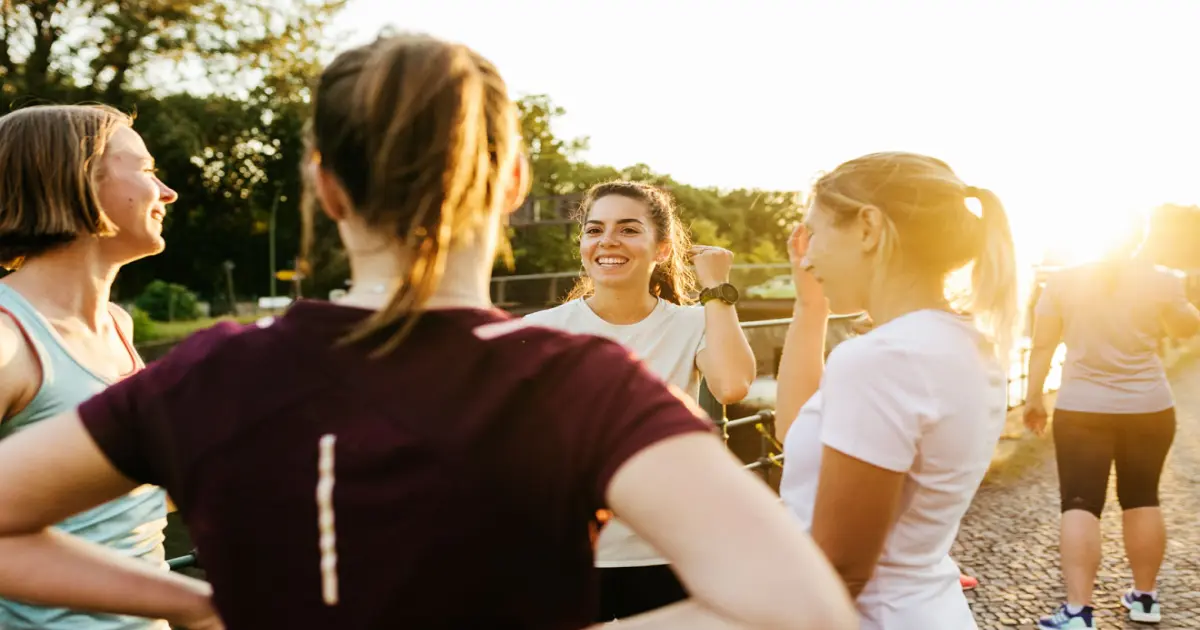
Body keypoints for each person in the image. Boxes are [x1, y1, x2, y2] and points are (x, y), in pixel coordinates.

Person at [0, 34, 857, 630]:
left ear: (327, 189)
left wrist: (191, 601)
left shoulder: (209, 374)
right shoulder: (580, 380)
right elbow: (798, 605)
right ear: (515, 179)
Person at [774, 152, 1017, 629]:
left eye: (815, 232)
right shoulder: (963, 342)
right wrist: (811, 306)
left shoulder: (882, 359)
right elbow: (797, 429)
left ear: (867, 227)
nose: (806, 255)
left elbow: (840, 570)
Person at [523, 180, 756, 621]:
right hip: (569, 552)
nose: (607, 241)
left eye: (628, 229)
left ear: (662, 249)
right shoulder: (541, 330)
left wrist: (717, 289)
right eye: (594, 230)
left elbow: (731, 386)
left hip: (668, 549)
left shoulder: (693, 322)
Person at [0, 104, 177, 630]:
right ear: (79, 179)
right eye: (146, 170)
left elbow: (104, 507)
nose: (167, 192)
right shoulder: (8, 339)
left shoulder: (118, 326)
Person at [1025, 215, 1200, 629]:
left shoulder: (1062, 282)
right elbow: (1185, 327)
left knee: (1080, 502)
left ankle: (1078, 613)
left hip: (1082, 407)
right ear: (1141, 239)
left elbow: (1043, 344)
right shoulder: (1162, 280)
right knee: (1142, 497)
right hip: (1149, 407)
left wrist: (1034, 399)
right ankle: (1144, 600)